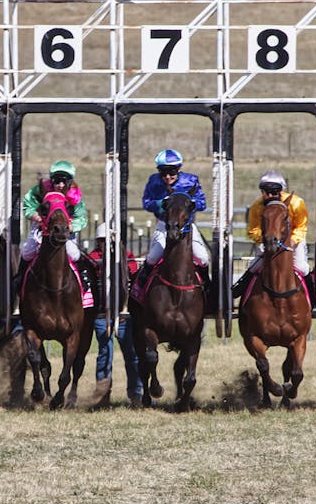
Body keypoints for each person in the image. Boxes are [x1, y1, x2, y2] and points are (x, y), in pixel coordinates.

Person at [13, 160, 94, 296]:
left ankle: (83, 279)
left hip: (64, 230)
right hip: (41, 228)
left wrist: (71, 227)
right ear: (51, 181)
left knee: (73, 253)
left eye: (64, 181)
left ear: (70, 181)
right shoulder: (39, 191)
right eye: (57, 181)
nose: (60, 185)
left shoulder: (75, 196)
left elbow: (81, 218)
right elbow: (28, 206)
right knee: (27, 252)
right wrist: (35, 217)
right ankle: (20, 279)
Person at [232, 171, 311, 300]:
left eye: (274, 191)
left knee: (302, 267)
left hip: (292, 241)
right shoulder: (257, 206)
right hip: (267, 241)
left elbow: (301, 226)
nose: (269, 195)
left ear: (281, 190)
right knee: (254, 267)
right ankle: (238, 297)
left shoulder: (296, 203)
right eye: (265, 191)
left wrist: (292, 240)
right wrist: (266, 238)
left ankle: (312, 300)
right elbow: (253, 230)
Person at [138, 149, 210, 288]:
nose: (168, 177)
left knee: (202, 257)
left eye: (172, 172)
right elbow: (146, 203)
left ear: (179, 169)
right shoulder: (154, 181)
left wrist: (191, 204)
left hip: (187, 227)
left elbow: (202, 204)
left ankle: (207, 284)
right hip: (164, 225)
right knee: (152, 257)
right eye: (163, 173)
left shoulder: (191, 180)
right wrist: (160, 204)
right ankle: (140, 284)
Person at [89, 223, 142, 404]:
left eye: (107, 241)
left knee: (132, 354)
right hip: (101, 315)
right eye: (101, 241)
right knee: (105, 352)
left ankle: (137, 394)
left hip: (124, 314)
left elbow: (134, 271)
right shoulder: (93, 258)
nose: (104, 245)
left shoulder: (126, 256)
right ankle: (103, 393)